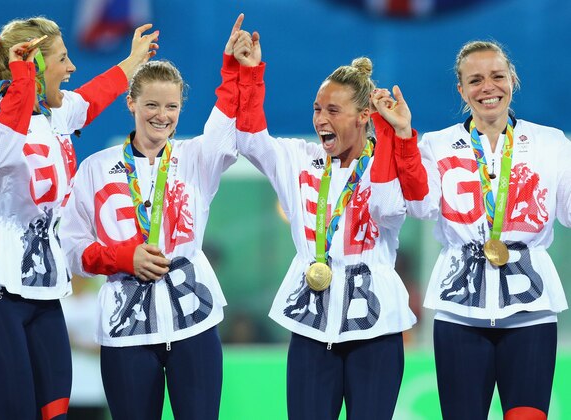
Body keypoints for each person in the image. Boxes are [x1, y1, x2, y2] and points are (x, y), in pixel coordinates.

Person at [0, 16, 158, 420]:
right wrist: (23, 76)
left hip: (42, 291)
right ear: (34, 66)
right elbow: (5, 143)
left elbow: (93, 97)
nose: (72, 68)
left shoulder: (53, 116)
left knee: (54, 413)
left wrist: (133, 61)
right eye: (63, 59)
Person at [59, 14, 251, 420]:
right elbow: (72, 248)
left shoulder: (197, 157)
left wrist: (233, 69)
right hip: (125, 328)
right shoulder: (95, 168)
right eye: (150, 104)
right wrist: (123, 258)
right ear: (130, 103)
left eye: (171, 106)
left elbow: (226, 119)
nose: (161, 115)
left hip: (194, 324)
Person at [233, 25, 419, 420]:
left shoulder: (387, 163)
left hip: (376, 327)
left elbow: (388, 209)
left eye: (333, 110)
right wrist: (249, 74)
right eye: (318, 108)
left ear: (363, 116)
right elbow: (249, 140)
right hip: (312, 324)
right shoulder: (298, 158)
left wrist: (389, 134)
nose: (321, 119)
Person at [389, 40, 570, 419]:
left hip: (531, 310)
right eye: (475, 80)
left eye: (497, 76)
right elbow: (422, 208)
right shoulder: (436, 144)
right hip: (459, 312)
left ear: (512, 80)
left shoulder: (551, 143)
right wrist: (405, 138)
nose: (488, 87)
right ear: (462, 90)